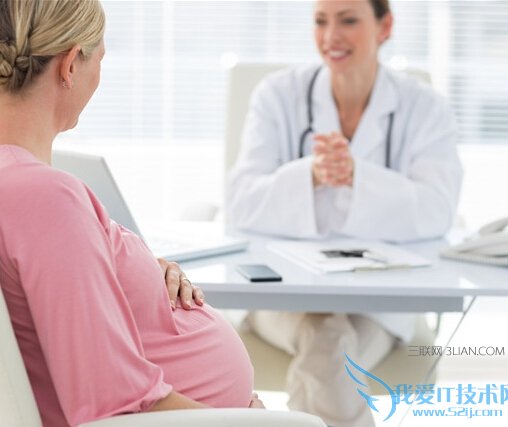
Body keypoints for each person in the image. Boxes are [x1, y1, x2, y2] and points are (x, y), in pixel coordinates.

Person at [0, 1, 263, 426]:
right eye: (99, 60)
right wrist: (253, 423)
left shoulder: (25, 187)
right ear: (70, 65)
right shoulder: (44, 197)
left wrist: (135, 273)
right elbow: (113, 405)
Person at [227, 0, 462, 426]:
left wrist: (358, 176)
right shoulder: (277, 95)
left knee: (326, 345)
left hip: (375, 301)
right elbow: (241, 202)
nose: (331, 36)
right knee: (329, 343)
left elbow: (438, 209)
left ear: (384, 26)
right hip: (282, 297)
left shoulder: (425, 107)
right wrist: (312, 174)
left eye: (348, 20)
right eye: (321, 21)